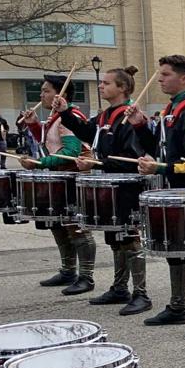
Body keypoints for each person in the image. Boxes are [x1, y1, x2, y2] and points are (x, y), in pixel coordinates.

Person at [135, 55, 185, 339]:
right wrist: (138, 127)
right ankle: (177, 307)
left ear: (184, 78)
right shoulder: (170, 109)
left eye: (166, 74)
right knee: (175, 250)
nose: (160, 79)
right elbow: (161, 150)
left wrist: (159, 167)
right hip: (174, 189)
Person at [60, 65, 153, 314]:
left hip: (128, 187)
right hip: (111, 185)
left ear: (122, 88)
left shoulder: (127, 117)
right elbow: (88, 133)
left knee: (130, 238)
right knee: (115, 238)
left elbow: (130, 158)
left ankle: (141, 294)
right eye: (101, 83)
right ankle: (120, 287)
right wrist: (65, 113)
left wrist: (97, 162)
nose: (101, 86)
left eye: (106, 83)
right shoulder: (105, 116)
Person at [18, 75, 98, 293]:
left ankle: (86, 277)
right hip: (61, 177)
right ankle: (68, 270)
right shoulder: (56, 117)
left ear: (59, 95)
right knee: (59, 224)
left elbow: (70, 153)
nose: (41, 95)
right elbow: (51, 142)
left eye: (45, 91)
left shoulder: (69, 117)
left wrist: (38, 163)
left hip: (73, 177)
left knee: (76, 227)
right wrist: (34, 124)